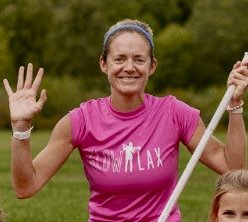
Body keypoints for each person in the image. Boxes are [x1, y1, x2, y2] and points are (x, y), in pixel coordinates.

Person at [2, 18, 248, 222]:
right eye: (119, 59)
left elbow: (233, 167)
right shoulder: (80, 121)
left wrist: (234, 105)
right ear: (104, 64)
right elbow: (26, 186)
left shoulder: (174, 113)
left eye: (139, 59)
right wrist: (21, 128)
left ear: (152, 66)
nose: (129, 67)